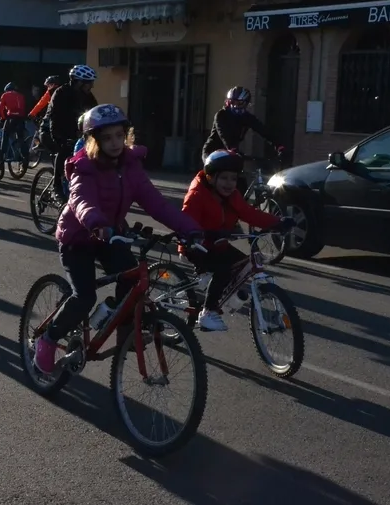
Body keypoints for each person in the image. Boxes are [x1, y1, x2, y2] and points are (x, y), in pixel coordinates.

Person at [33, 104, 203, 374]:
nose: (115, 143)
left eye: (119, 135)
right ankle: (48, 339)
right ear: (95, 140)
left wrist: (190, 229)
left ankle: (125, 336)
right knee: (84, 296)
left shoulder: (131, 166)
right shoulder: (84, 168)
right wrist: (97, 223)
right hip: (78, 237)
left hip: (110, 236)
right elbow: (81, 200)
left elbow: (157, 204)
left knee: (134, 280)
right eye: (107, 137)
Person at [181, 149, 293, 331]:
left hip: (218, 244)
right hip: (196, 247)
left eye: (233, 179)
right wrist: (195, 236)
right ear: (210, 178)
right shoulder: (197, 195)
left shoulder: (233, 197)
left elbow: (250, 214)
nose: (229, 183)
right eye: (224, 178)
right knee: (223, 270)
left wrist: (277, 222)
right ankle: (208, 312)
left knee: (243, 263)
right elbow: (184, 222)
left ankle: (223, 297)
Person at [42, 65, 98, 198]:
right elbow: (54, 118)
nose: (92, 86)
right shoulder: (61, 93)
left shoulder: (88, 96)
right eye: (89, 83)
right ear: (78, 82)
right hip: (51, 131)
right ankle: (57, 186)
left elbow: (95, 113)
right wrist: (59, 138)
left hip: (73, 133)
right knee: (64, 151)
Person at [203, 86, 282, 161]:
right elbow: (223, 133)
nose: (235, 105)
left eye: (239, 103)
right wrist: (232, 147)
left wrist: (278, 144)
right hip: (213, 151)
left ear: (246, 104)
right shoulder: (221, 115)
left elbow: (262, 130)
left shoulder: (247, 117)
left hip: (232, 152)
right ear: (228, 102)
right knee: (214, 171)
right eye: (232, 102)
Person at [0, 82, 28, 158]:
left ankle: (1, 157)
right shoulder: (21, 96)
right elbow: (23, 108)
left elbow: (0, 109)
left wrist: (3, 118)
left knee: (5, 137)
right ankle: (25, 157)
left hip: (11, 118)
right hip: (20, 119)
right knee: (20, 138)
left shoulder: (5, 95)